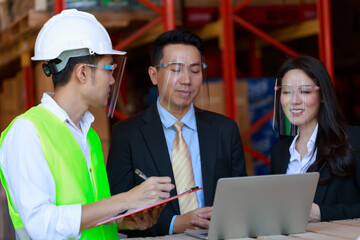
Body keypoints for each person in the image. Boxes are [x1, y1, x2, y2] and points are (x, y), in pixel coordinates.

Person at [0, 9, 174, 239]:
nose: (112, 80)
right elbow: (43, 226)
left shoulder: (88, 135)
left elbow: (85, 214)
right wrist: (126, 199)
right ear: (83, 72)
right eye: (108, 69)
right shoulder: (27, 132)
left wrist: (124, 222)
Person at [106, 29, 247, 237]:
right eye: (176, 70)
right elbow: (117, 210)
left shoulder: (225, 130)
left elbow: (241, 198)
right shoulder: (127, 134)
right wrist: (174, 223)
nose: (186, 80)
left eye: (195, 70)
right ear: (154, 75)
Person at [271, 55, 360, 222]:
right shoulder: (280, 153)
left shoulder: (353, 141)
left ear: (323, 95)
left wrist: (321, 213)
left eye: (304, 91)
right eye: (287, 91)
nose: (294, 101)